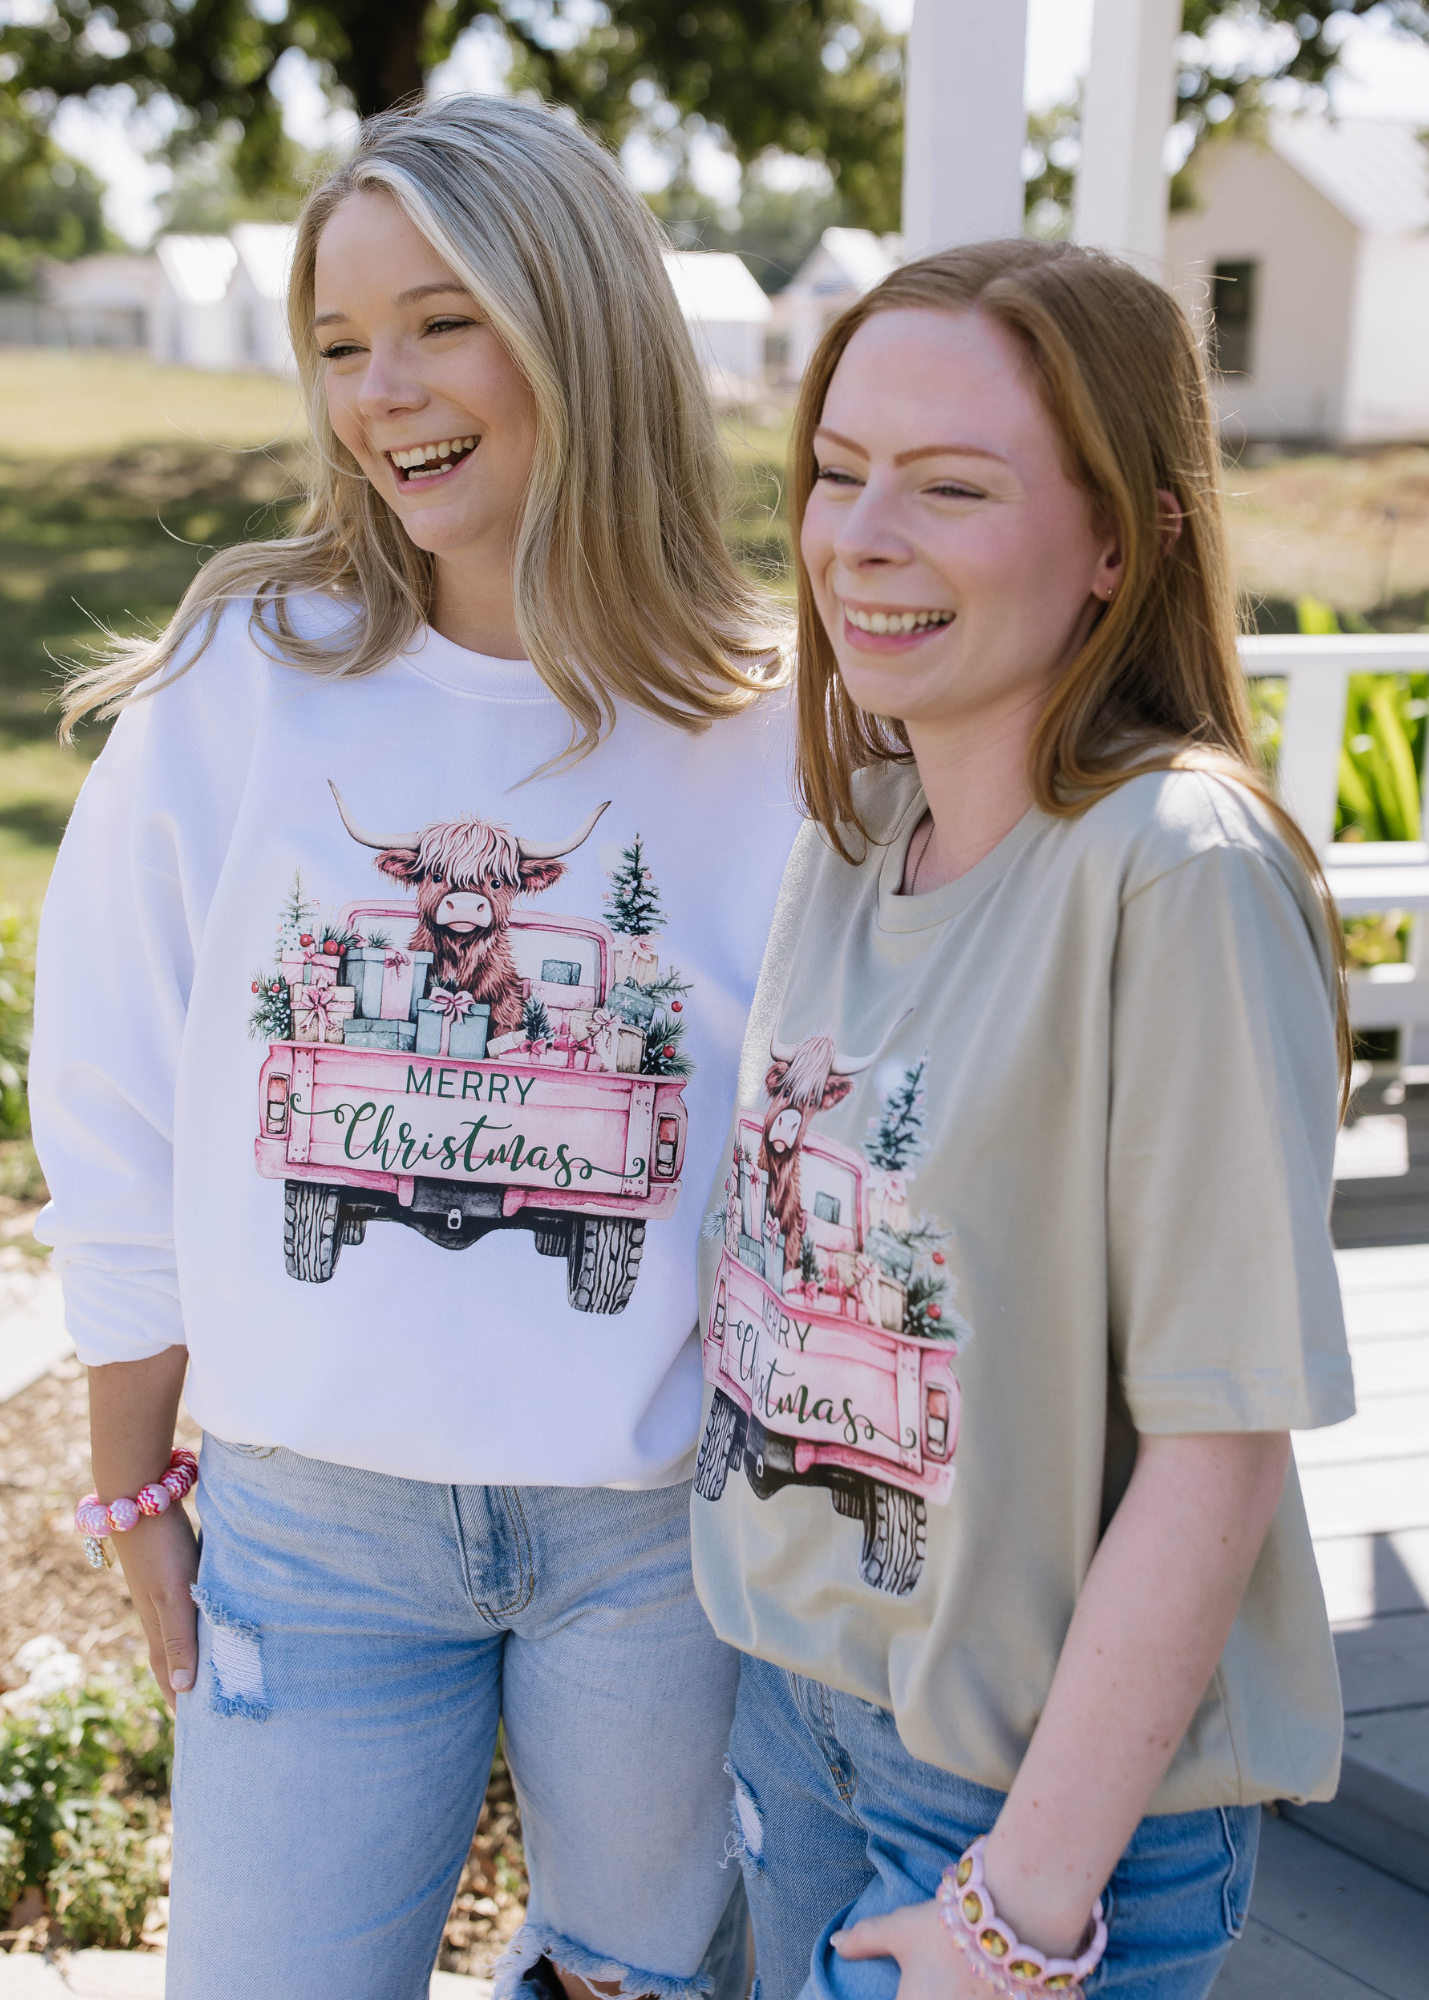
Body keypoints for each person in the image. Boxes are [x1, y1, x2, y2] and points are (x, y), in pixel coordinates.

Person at [30, 95, 798, 2000]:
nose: (386, 392)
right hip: (315, 1530)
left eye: (442, 320)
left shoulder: (777, 736)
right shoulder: (246, 684)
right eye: (341, 342)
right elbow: (113, 1097)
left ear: (581, 323)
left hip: (659, 1544)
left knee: (641, 1974)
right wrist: (135, 1490)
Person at [688, 239, 1354, 2000]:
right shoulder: (855, 834)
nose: (860, 539)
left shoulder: (1176, 875)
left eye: (955, 487)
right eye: (837, 474)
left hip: (1021, 1825)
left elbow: (1221, 1442)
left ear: (1125, 545)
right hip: (798, 1740)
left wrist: (1023, 1908)